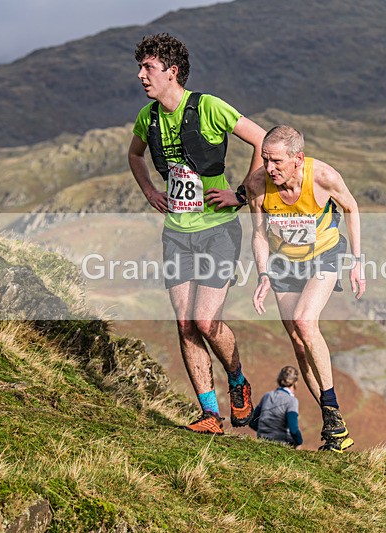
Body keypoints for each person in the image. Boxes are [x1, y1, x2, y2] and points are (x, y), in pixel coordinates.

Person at [127, 33, 267, 434]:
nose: (141, 76)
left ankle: (238, 381)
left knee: (206, 322)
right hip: (177, 233)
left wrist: (241, 193)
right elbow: (134, 155)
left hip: (217, 230)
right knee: (185, 324)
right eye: (140, 68)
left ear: (172, 72)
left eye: (148, 68)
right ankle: (210, 415)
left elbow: (261, 140)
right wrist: (151, 191)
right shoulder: (148, 118)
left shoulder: (208, 107)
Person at [245, 125, 366, 452]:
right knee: (298, 343)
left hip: (324, 255)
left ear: (298, 160)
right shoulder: (257, 184)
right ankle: (334, 427)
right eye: (265, 160)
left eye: (276, 162)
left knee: (304, 321)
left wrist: (357, 260)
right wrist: (263, 274)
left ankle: (332, 412)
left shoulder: (323, 177)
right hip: (283, 262)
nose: (269, 168)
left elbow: (351, 208)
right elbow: (258, 233)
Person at [249, 366, 304, 448]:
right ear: (295, 382)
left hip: (262, 439)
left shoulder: (267, 396)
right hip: (281, 442)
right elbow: (293, 429)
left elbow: (252, 422)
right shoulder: (292, 401)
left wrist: (266, 432)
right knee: (298, 444)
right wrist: (300, 441)